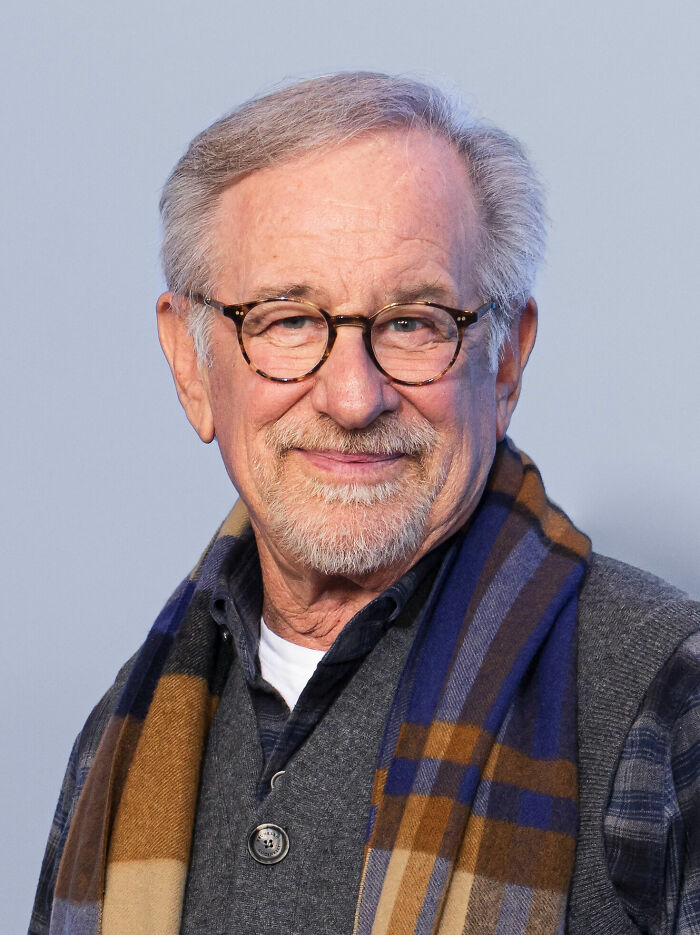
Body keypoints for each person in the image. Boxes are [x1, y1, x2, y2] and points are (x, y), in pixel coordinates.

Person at [30, 72, 700, 935]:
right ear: (192, 366)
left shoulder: (669, 698)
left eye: (415, 322)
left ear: (503, 363)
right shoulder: (116, 749)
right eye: (287, 320)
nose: (353, 397)